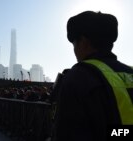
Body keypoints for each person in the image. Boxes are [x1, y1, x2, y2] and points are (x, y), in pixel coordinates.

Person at [51, 11, 133, 141]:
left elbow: (67, 133)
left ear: (83, 42)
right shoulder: (130, 72)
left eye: (74, 44)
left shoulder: (78, 77)